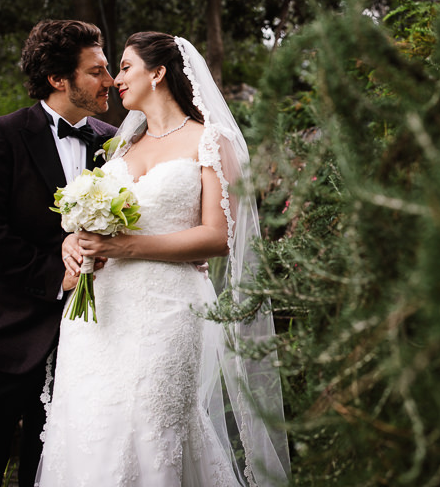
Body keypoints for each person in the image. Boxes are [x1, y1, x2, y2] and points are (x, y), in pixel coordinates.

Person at [36, 32, 290, 486]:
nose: (115, 80)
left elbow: (219, 235)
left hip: (168, 310)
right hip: (99, 316)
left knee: (152, 430)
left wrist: (123, 247)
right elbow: (95, 226)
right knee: (90, 428)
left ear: (158, 73)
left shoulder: (211, 141)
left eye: (126, 67)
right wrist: (72, 242)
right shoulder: (118, 147)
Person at [0, 20, 117, 487]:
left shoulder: (114, 142)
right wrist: (55, 275)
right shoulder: (0, 135)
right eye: (96, 71)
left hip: (84, 345)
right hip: (1, 334)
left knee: (56, 472)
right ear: (59, 79)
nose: (110, 81)